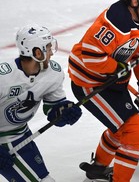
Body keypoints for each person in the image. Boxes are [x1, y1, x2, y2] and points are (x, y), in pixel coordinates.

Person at [68, 0, 139, 182]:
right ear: (134, 1)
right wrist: (118, 68)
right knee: (136, 132)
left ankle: (98, 169)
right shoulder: (114, 20)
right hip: (89, 83)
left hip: (113, 81)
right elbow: (91, 57)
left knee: (123, 130)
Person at [0, 25, 82, 181]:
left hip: (22, 135)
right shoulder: (3, 77)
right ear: (37, 52)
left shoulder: (53, 72)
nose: (51, 52)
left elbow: (53, 107)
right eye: (48, 48)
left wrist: (62, 112)